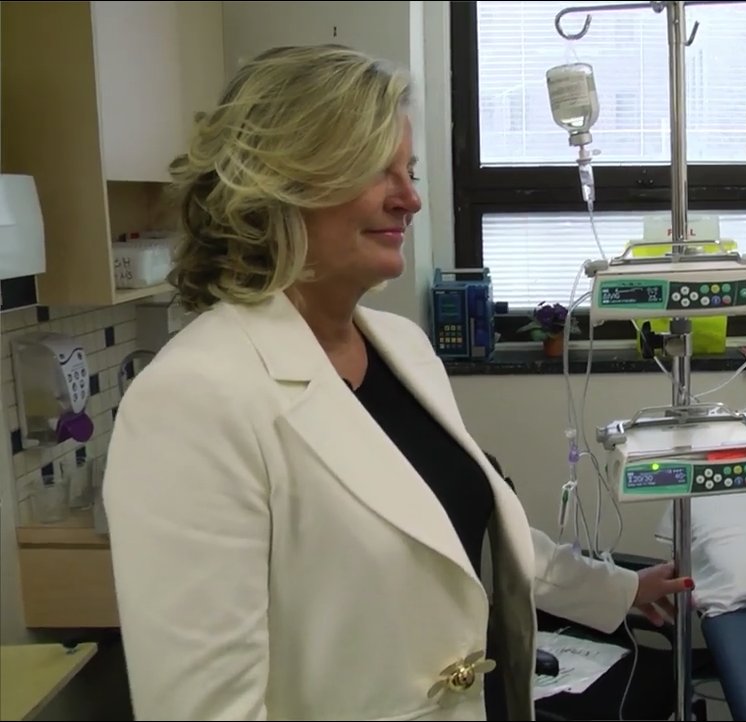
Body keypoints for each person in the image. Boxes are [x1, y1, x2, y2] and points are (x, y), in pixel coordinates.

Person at [103, 45, 689, 721]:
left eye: (408, 172)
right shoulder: (192, 400)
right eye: (377, 172)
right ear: (282, 182)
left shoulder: (403, 349)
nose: (410, 198)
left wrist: (617, 590)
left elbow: (463, 529)